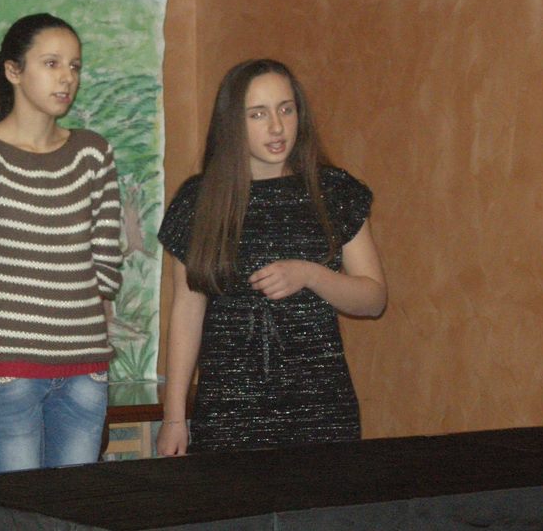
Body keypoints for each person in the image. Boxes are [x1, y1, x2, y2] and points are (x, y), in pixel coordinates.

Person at [0, 13, 123, 473]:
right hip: (3, 374)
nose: (66, 77)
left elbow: (105, 266)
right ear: (13, 71)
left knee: (73, 507)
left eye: (74, 66)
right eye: (51, 63)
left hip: (84, 373)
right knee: (15, 508)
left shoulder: (93, 154)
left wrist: (86, 350)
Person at [156, 59, 386, 455]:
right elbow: (187, 311)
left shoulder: (334, 191)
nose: (277, 127)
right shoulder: (199, 200)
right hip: (228, 410)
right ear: (233, 123)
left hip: (320, 409)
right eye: (258, 114)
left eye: (286, 109)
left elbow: (374, 299)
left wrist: (310, 275)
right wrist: (174, 417)